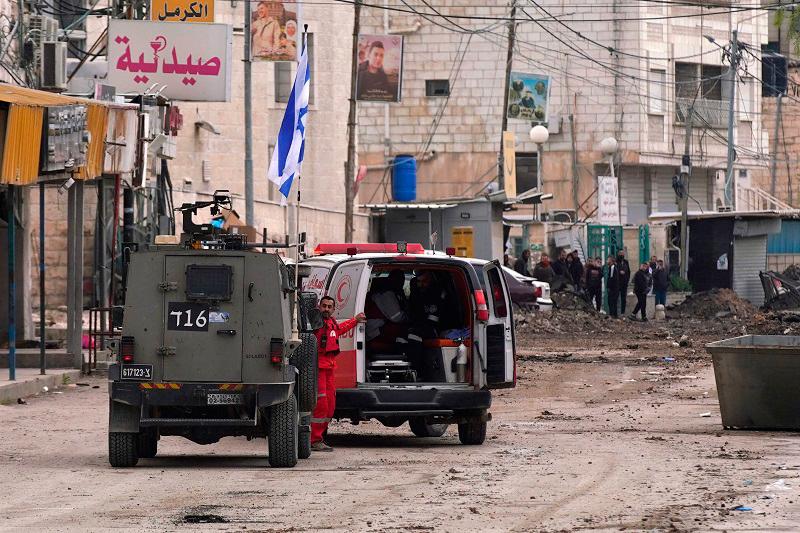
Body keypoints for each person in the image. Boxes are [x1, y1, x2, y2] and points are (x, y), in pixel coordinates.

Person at [311, 296, 365, 452]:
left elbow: (340, 330)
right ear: (319, 307)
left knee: (330, 405)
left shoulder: (332, 323)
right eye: (324, 306)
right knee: (320, 404)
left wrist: (355, 320)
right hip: (318, 368)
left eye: (329, 306)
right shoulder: (315, 323)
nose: (326, 309)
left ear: (334, 309)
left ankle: (318, 437)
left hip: (329, 368)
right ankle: (313, 439)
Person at [616, 250, 631, 316]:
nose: (621, 255)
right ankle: (615, 312)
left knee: (623, 299)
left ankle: (622, 312)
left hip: (624, 283)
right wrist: (619, 272)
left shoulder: (626, 262)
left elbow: (628, 272)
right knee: (616, 298)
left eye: (622, 253)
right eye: (620, 253)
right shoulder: (616, 262)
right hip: (617, 283)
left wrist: (627, 280)